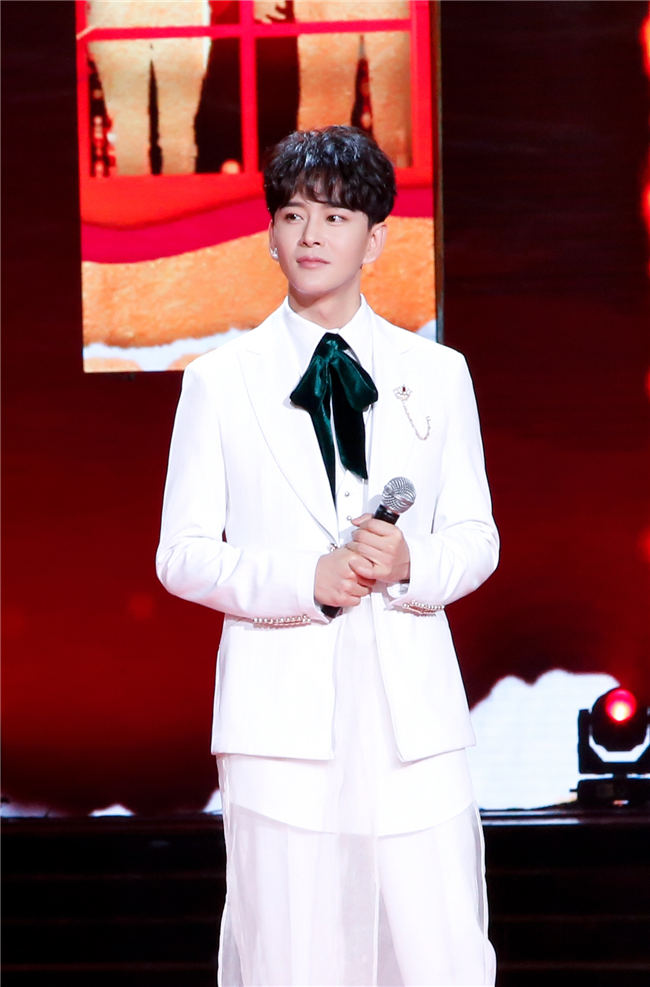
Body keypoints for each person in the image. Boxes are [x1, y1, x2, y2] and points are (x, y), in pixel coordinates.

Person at [156, 125, 499, 987]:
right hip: (280, 721)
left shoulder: (439, 372)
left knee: (442, 956)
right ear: (270, 234)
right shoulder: (219, 380)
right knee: (293, 960)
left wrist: (411, 562)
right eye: (294, 214)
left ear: (374, 239)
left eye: (337, 216)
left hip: (413, 720)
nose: (311, 234)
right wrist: (302, 579)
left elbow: (477, 536)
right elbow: (182, 554)